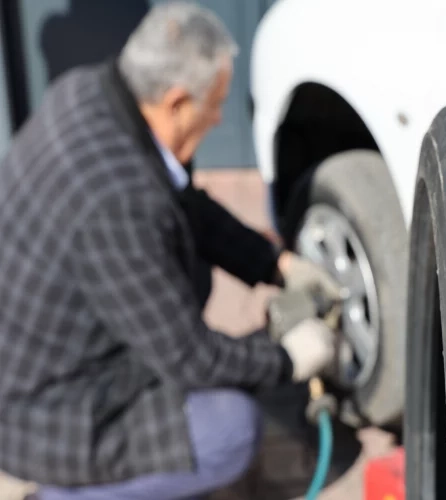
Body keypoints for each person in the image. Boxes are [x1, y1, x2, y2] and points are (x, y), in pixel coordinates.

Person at [0, 2, 342, 498]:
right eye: (216, 104)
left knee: (186, 261)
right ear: (177, 102)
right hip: (45, 413)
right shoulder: (118, 202)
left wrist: (277, 264)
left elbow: (184, 202)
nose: (222, 116)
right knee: (229, 429)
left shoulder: (89, 93)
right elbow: (193, 359)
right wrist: (287, 359)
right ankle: (60, 493)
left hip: (35, 349)